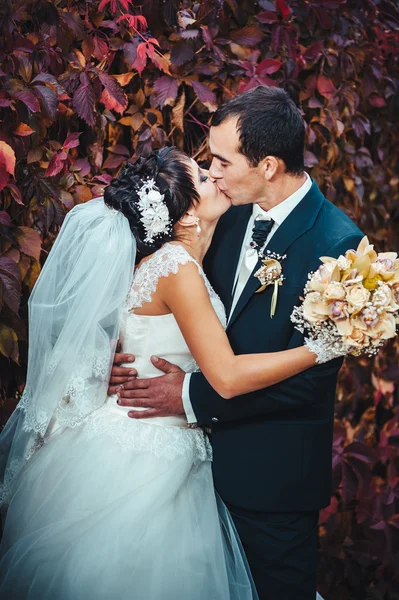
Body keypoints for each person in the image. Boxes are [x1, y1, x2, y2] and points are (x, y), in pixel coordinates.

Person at [0, 144, 337, 599]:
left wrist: (103, 365)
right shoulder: (177, 267)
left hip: (155, 442)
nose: (214, 177)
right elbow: (228, 375)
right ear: (183, 216)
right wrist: (321, 349)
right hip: (146, 457)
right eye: (201, 176)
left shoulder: (171, 260)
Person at [110, 86, 365, 600]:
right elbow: (150, 297)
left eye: (223, 160)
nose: (215, 171)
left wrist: (186, 396)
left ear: (268, 165)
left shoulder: (338, 246)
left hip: (269, 479)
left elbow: (308, 383)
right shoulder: (220, 212)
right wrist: (116, 360)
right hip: (180, 472)